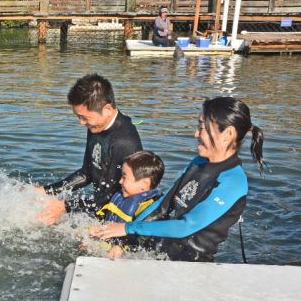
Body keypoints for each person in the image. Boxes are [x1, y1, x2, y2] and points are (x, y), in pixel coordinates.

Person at [92, 96, 265, 262]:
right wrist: (125, 242)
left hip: (191, 264)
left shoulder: (233, 181)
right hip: (161, 250)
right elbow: (161, 208)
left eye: (202, 127)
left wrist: (127, 228)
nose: (195, 133)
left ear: (227, 134)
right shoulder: (197, 163)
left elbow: (186, 226)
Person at [34, 74, 143, 225]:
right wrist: (46, 191)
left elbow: (115, 194)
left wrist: (65, 206)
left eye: (84, 117)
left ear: (107, 109)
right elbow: (87, 173)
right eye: (78, 116)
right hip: (99, 211)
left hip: (121, 221)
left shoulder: (124, 142)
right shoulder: (96, 126)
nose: (81, 122)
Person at [91, 150, 164, 258]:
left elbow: (141, 238)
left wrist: (119, 247)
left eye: (124, 177)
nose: (120, 181)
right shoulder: (121, 196)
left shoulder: (148, 209)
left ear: (145, 184)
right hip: (111, 244)